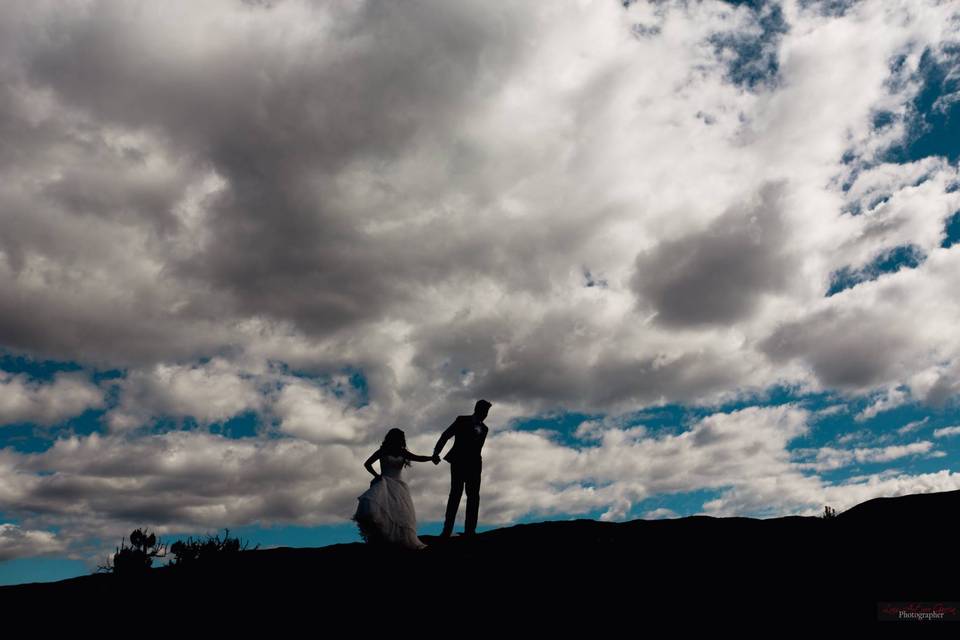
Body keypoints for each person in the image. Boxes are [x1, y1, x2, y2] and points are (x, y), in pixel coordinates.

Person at [352, 428, 433, 550]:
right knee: (380, 508)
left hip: (398, 486)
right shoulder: (383, 451)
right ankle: (382, 539)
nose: (402, 440)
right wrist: (376, 475)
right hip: (384, 482)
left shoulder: (403, 452)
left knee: (399, 513)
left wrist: (431, 458)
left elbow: (418, 458)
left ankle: (396, 540)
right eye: (400, 438)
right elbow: (367, 464)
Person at [432, 399, 491, 538]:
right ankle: (447, 531)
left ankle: (470, 531)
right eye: (484, 411)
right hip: (458, 462)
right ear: (477, 409)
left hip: (475, 465)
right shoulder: (462, 420)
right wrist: (436, 452)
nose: (486, 415)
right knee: (455, 494)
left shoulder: (485, 429)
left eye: (487, 412)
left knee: (474, 497)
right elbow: (445, 435)